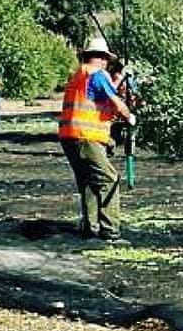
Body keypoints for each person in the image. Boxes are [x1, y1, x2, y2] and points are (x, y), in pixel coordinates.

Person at [56, 37, 136, 240]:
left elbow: (98, 96)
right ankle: (110, 230)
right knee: (109, 179)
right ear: (102, 58)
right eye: (107, 59)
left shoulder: (80, 74)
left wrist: (119, 80)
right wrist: (130, 116)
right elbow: (116, 103)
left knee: (89, 182)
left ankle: (90, 228)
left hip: (69, 137)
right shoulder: (97, 74)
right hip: (86, 137)